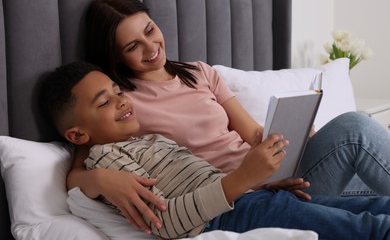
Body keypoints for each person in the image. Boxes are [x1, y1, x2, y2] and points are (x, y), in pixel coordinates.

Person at [68, 0, 390, 234]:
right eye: (132, 46)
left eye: (150, 31)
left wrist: (291, 131)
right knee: (356, 131)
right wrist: (100, 179)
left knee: (356, 149)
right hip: (235, 195)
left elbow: (252, 135)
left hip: (273, 177)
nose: (150, 47)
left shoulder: (198, 73)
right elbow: (83, 160)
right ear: (116, 57)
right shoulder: (123, 102)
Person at [40, 61, 390, 239]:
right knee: (369, 229)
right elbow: (167, 222)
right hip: (234, 213)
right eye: (105, 101)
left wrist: (258, 182)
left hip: (254, 195)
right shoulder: (109, 163)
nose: (121, 101)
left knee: (379, 208)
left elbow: (207, 177)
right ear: (77, 133)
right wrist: (241, 181)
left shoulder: (149, 139)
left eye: (118, 92)